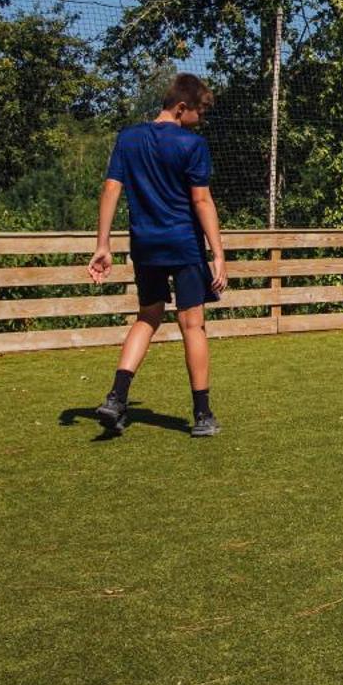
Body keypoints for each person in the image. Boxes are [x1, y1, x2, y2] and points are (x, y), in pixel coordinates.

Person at [86, 73, 229, 438]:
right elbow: (201, 200)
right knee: (192, 324)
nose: (201, 119)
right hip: (182, 244)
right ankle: (202, 415)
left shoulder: (128, 138)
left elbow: (111, 188)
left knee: (148, 316)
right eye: (200, 111)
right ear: (182, 107)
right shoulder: (192, 145)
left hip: (145, 245)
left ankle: (117, 398)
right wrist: (218, 254)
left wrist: (102, 245)